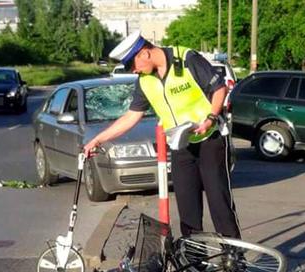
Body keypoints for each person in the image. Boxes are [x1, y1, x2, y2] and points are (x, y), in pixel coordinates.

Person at [83, 31, 241, 239]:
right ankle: (194, 266)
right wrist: (98, 139)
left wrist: (210, 118)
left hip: (210, 139)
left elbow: (219, 88)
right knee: (187, 210)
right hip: (180, 145)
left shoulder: (186, 59)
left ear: (144, 54)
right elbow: (131, 116)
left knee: (219, 203)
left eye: (133, 65)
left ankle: (234, 265)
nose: (134, 71)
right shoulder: (145, 81)